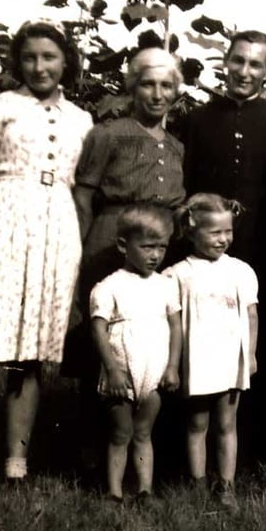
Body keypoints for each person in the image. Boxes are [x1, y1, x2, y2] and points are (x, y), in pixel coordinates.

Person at [0, 19, 93, 489]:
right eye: (31, 57)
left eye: (50, 57)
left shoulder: (81, 119)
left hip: (57, 228)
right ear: (19, 61)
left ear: (66, 62)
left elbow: (80, 191)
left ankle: (17, 464)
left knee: (33, 356)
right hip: (4, 220)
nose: (40, 66)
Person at [182, 31, 266, 462]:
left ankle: (261, 447)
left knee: (262, 342)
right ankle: (197, 443)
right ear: (226, 62)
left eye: (255, 65)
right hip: (207, 249)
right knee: (206, 339)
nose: (244, 72)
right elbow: (190, 184)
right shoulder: (199, 119)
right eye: (238, 61)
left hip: (261, 250)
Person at [72, 47, 185, 474]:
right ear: (132, 86)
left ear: (176, 91)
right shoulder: (109, 133)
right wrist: (82, 248)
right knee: (101, 337)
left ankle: (148, 447)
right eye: (147, 84)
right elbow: (84, 194)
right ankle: (90, 451)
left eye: (166, 86)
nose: (157, 94)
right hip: (110, 239)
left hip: (157, 243)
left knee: (149, 341)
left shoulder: (175, 145)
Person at [164, 194, 259, 510]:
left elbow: (252, 316)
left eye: (228, 231)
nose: (224, 239)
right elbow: (171, 321)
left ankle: (226, 485)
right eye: (215, 233)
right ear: (192, 232)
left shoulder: (241, 270)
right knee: (196, 424)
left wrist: (253, 354)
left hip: (231, 360)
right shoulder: (177, 274)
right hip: (198, 361)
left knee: (227, 424)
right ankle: (197, 484)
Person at [90, 202, 182, 503]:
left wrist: (172, 367)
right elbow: (99, 330)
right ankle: (114, 492)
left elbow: (175, 327)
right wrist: (113, 371)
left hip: (154, 370)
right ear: (123, 245)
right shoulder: (109, 286)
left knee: (144, 433)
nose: (155, 255)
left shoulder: (165, 285)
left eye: (161, 247)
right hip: (123, 369)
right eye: (147, 247)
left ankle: (145, 490)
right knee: (120, 433)